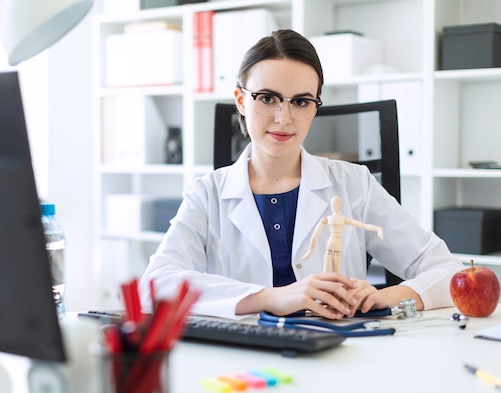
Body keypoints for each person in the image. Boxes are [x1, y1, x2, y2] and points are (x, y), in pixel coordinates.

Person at [138, 29, 463, 320]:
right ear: (240, 100)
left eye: (301, 102)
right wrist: (272, 298)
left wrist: (385, 297)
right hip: (241, 362)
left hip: (341, 354)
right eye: (267, 98)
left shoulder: (354, 184)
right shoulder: (206, 194)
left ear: (315, 107)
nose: (284, 118)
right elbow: (155, 285)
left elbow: (449, 272)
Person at [302, 196, 384, 274]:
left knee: (327, 268)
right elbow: (363, 225)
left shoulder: (328, 219)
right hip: (338, 242)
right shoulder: (343, 219)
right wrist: (377, 229)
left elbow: (315, 235)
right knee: (335, 269)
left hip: (331, 241)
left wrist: (310, 251)